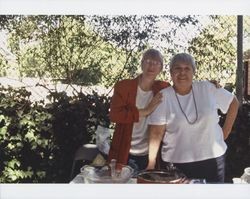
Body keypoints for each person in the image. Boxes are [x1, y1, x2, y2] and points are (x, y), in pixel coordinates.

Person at [146, 53, 239, 183]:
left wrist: (226, 131)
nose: (182, 72)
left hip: (213, 160)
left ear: (193, 72)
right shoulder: (163, 97)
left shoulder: (207, 88)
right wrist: (151, 162)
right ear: (171, 73)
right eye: (177, 68)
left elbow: (233, 102)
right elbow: (156, 132)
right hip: (177, 163)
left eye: (187, 68)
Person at [108, 48, 170, 173]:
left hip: (151, 153)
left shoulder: (163, 88)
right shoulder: (124, 87)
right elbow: (115, 115)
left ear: (161, 68)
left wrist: (209, 87)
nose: (151, 65)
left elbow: (184, 89)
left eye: (156, 62)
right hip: (124, 150)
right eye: (147, 61)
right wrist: (146, 110)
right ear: (141, 64)